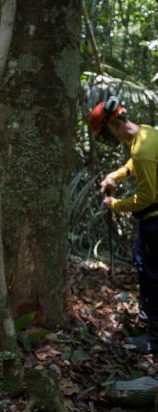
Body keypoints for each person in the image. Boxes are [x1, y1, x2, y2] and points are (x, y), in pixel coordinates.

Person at [89, 95, 158, 353]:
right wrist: (114, 176)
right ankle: (148, 319)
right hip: (150, 220)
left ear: (115, 124)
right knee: (145, 268)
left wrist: (116, 204)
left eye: (107, 133)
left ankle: (154, 337)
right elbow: (134, 164)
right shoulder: (146, 134)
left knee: (151, 274)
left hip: (154, 221)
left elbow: (147, 196)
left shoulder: (142, 151)